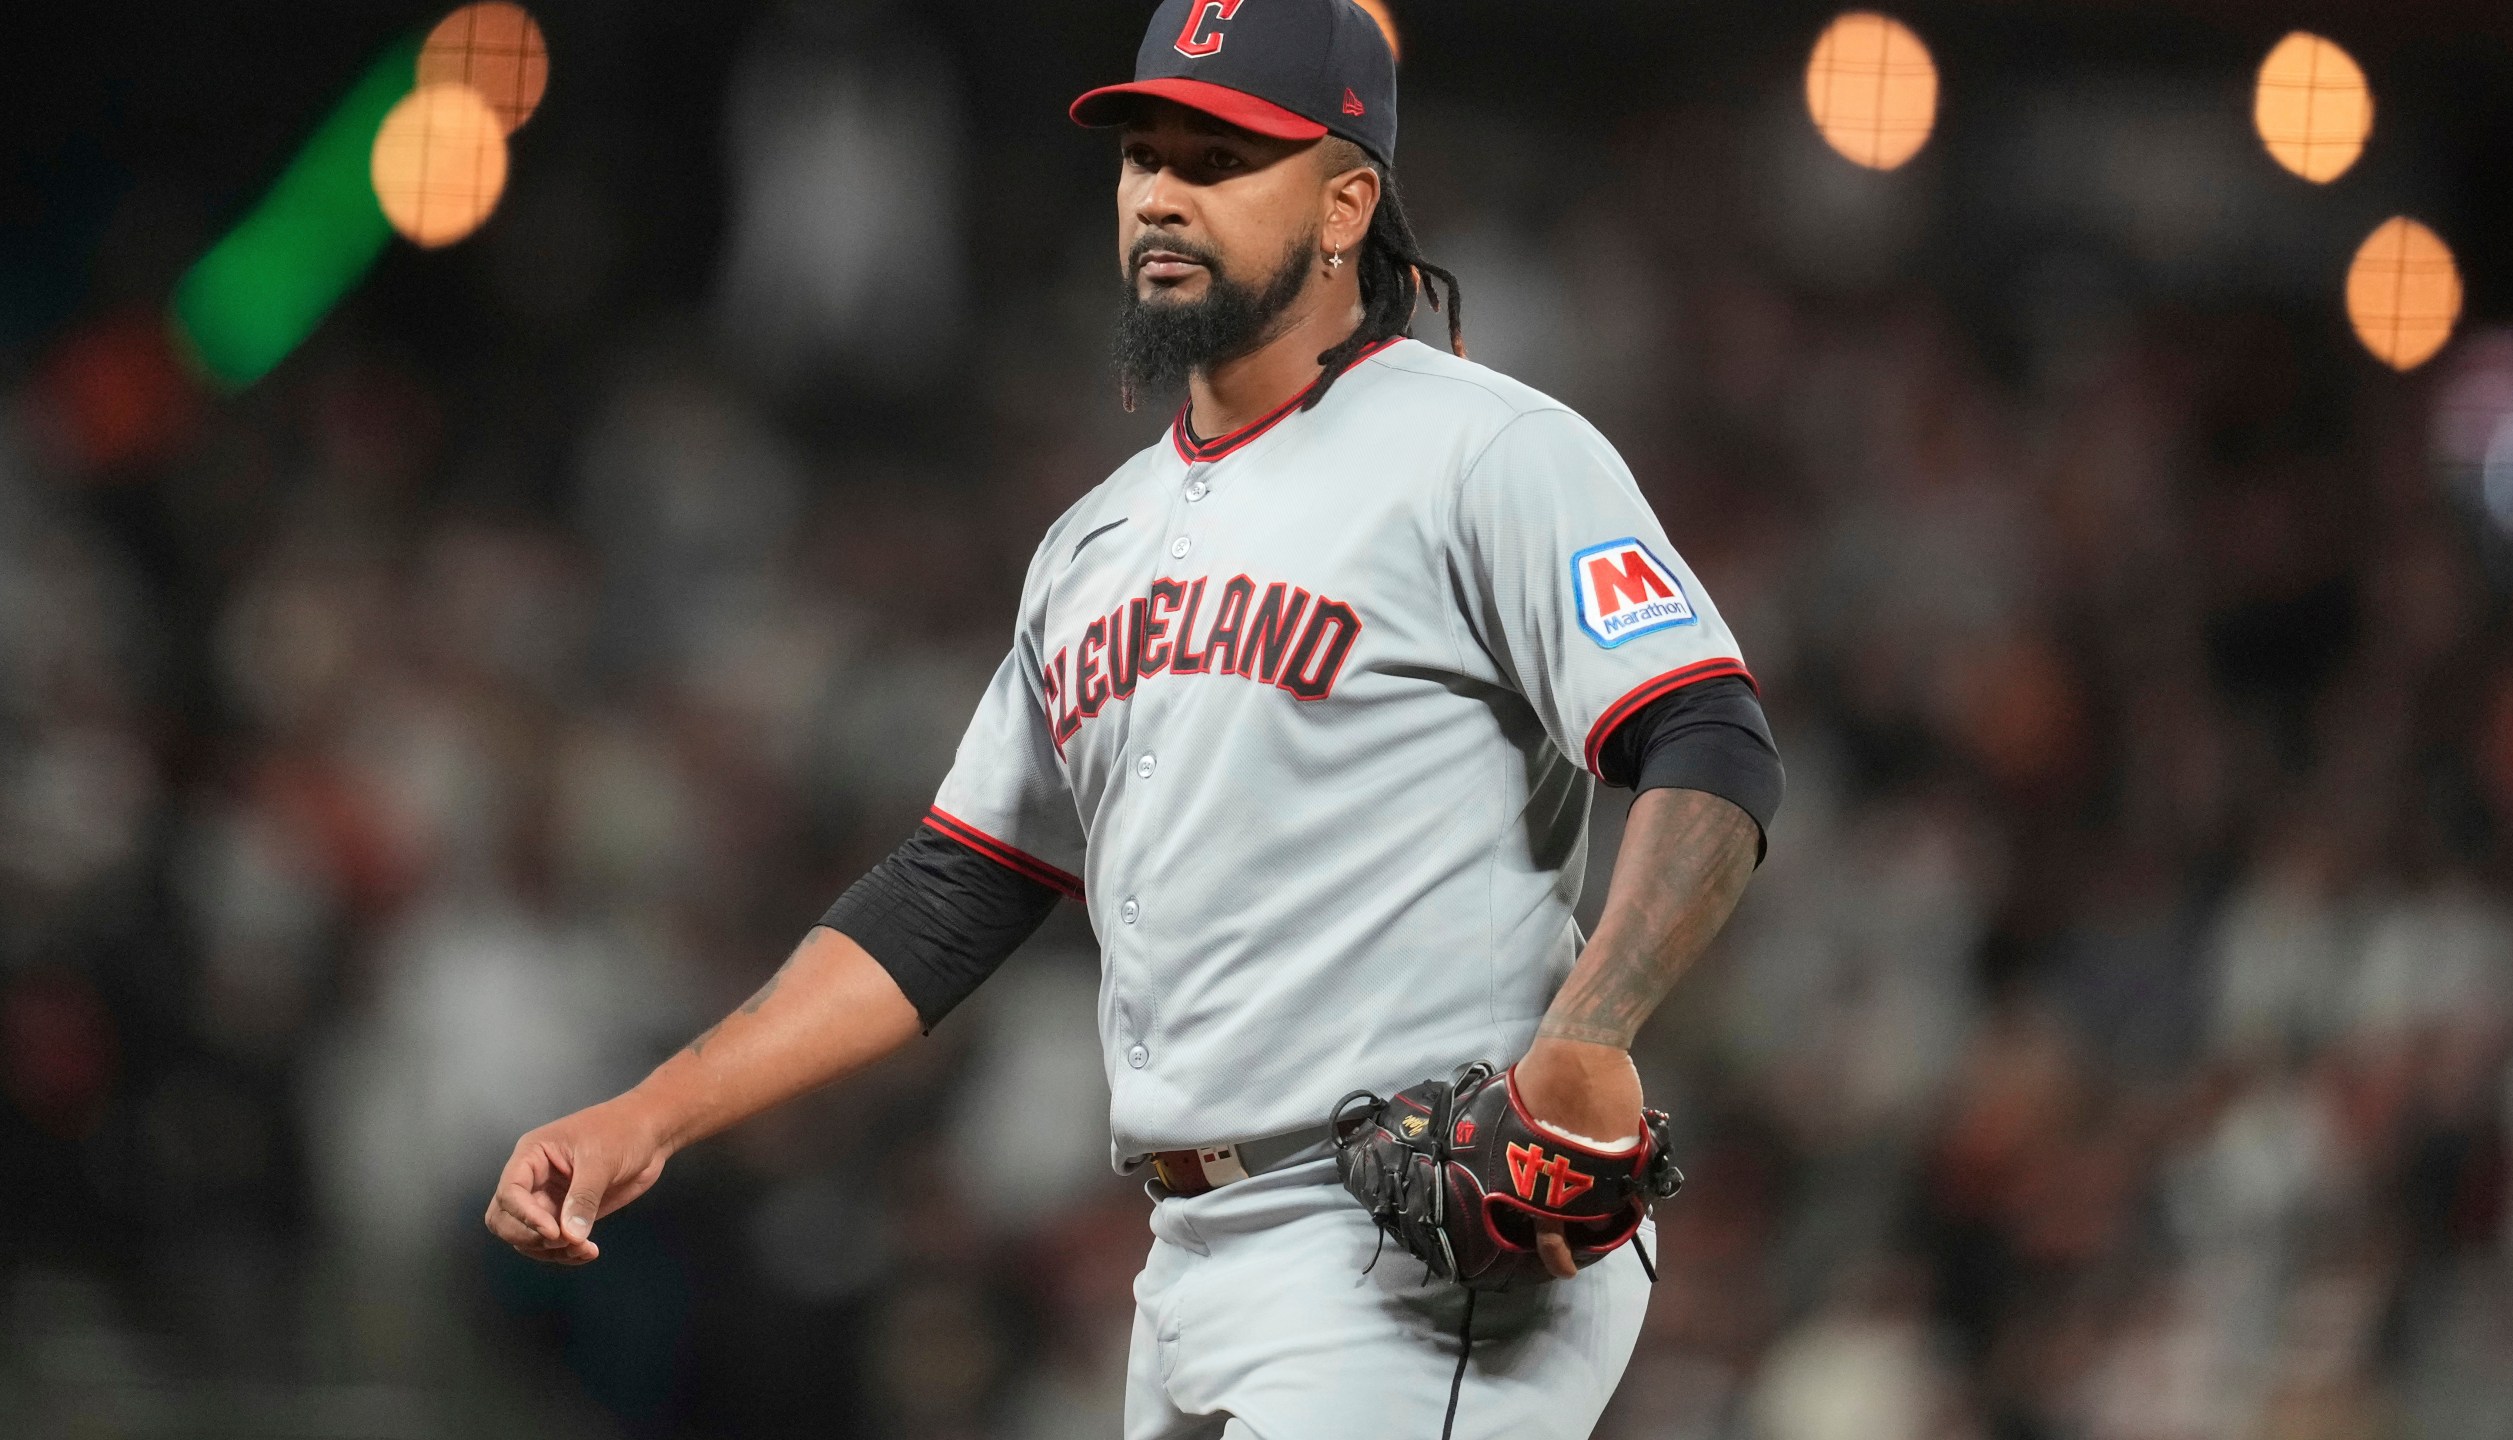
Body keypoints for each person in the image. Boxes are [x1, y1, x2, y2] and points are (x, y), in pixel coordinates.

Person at [484, 1, 1782, 1433]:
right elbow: (952, 892)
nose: (1161, 195)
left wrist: (1590, 1025)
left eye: (1219, 160)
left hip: (1421, 1237)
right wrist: (648, 1116)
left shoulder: (1486, 451)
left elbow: (1709, 740)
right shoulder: (1094, 544)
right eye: (1144, 156)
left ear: (1347, 204)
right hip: (1186, 1259)